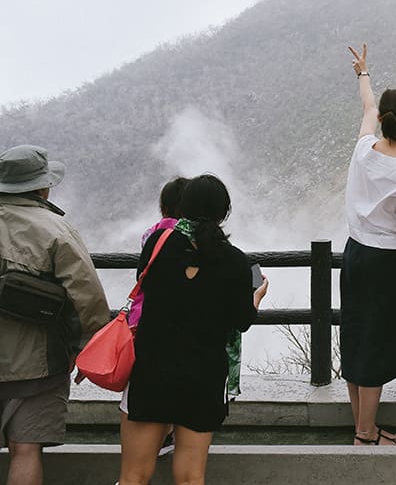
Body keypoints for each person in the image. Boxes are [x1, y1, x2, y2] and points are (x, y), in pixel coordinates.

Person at [120, 174, 268, 485]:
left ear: (182, 207)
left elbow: (145, 286)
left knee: (134, 476)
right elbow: (241, 320)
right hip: (203, 377)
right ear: (223, 213)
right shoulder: (236, 262)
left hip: (153, 369)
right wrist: (257, 296)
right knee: (190, 478)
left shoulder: (157, 245)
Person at [0, 145, 110, 485]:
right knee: (26, 449)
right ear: (42, 187)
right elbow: (87, 297)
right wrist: (89, 350)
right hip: (38, 365)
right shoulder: (56, 230)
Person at [340, 44, 396, 447]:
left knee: (357, 335)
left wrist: (363, 74)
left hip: (354, 253)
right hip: (386, 260)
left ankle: (363, 426)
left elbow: (367, 108)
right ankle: (366, 433)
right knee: (375, 342)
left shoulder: (362, 149)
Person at [126, 177, 187, 330]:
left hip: (143, 314)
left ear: (163, 207)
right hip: (177, 315)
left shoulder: (150, 234)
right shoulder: (190, 237)